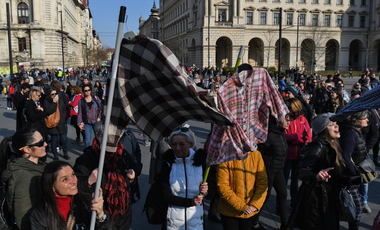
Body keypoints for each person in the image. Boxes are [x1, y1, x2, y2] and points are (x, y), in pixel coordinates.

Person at [288, 113, 347, 230]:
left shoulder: (334, 144)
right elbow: (300, 170)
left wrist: (348, 180)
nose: (337, 127)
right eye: (332, 125)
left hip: (329, 196)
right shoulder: (318, 145)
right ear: (323, 129)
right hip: (316, 199)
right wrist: (316, 176)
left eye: (336, 124)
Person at [74, 125, 136, 230]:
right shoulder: (86, 160)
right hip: (99, 220)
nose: (110, 140)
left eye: (114, 137)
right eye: (105, 136)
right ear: (97, 136)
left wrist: (132, 179)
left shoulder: (123, 156)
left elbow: (131, 191)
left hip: (123, 219)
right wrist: (88, 181)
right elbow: (73, 188)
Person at [30, 161, 110, 229]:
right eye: (65, 179)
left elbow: (107, 227)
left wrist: (100, 215)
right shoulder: (39, 215)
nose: (73, 181)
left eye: (73, 174)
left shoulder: (86, 202)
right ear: (52, 187)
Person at [160, 126, 208, 230]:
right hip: (172, 223)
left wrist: (206, 191)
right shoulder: (167, 163)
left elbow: (211, 193)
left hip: (196, 222)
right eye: (174, 144)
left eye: (182, 144)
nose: (177, 148)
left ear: (190, 143)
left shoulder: (201, 163)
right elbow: (165, 195)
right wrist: (190, 202)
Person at [0, 128, 47, 230]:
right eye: (40, 143)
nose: (46, 144)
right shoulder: (25, 177)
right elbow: (24, 219)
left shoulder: (37, 167)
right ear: (27, 149)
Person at [252, 115, 290, 230]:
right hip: (268, 171)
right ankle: (254, 223)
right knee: (264, 197)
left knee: (283, 194)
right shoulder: (269, 135)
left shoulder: (282, 132)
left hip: (278, 169)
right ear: (278, 121)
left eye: (290, 120)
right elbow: (259, 152)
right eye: (286, 120)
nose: (289, 122)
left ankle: (285, 225)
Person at [339, 111, 369, 230]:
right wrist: (354, 174)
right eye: (365, 118)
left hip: (352, 175)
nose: (367, 120)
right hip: (350, 176)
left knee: (355, 206)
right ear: (356, 120)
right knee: (357, 208)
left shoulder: (354, 131)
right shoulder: (351, 134)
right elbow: (346, 156)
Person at [284, 98, 312, 207]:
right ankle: (280, 203)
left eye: (289, 106)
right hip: (287, 155)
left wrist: (294, 140)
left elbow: (309, 137)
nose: (287, 108)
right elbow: (285, 137)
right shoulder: (286, 119)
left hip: (299, 155)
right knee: (284, 181)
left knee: (295, 181)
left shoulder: (303, 119)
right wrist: (299, 136)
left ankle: (294, 201)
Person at [44, 86, 69, 161]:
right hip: (52, 123)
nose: (54, 96)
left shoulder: (60, 101)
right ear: (49, 94)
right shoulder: (47, 101)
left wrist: (64, 119)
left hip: (61, 122)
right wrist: (54, 103)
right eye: (52, 94)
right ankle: (55, 155)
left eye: (56, 94)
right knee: (54, 140)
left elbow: (64, 109)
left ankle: (65, 153)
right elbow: (48, 111)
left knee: (63, 139)